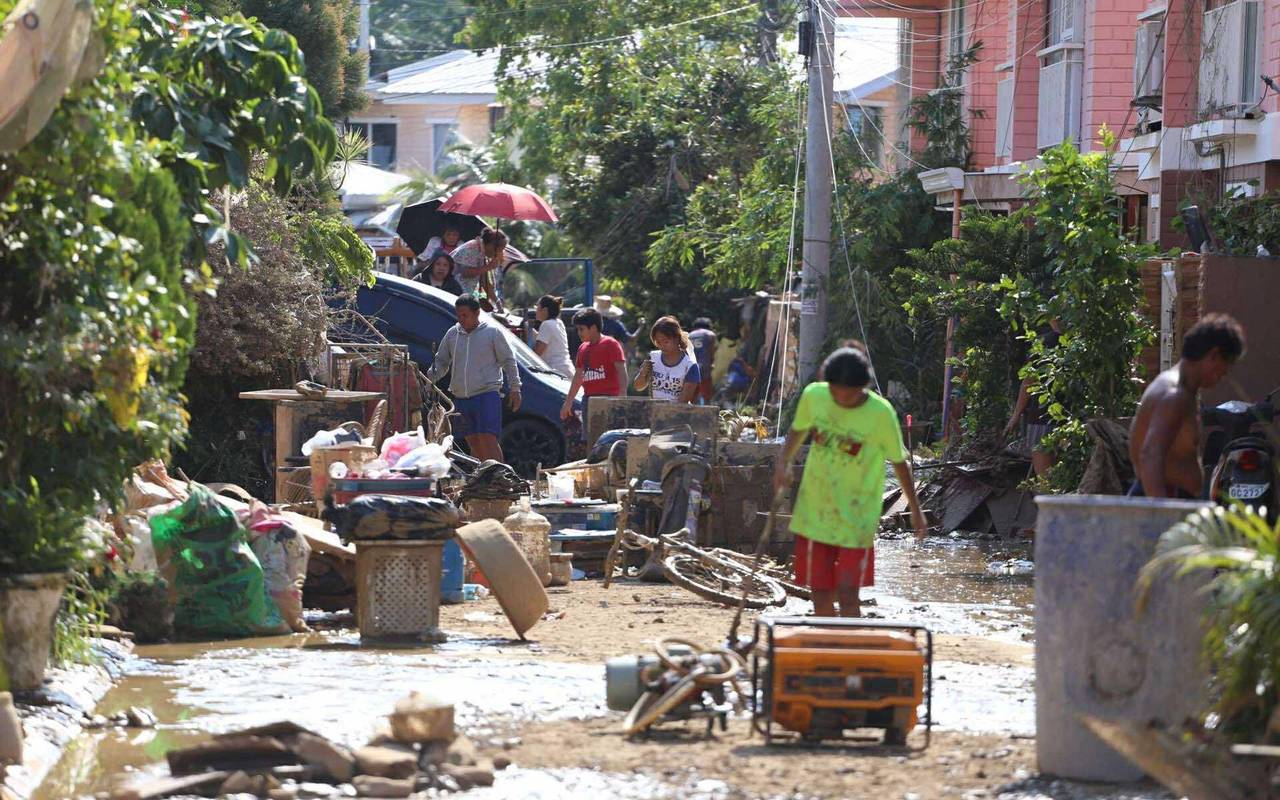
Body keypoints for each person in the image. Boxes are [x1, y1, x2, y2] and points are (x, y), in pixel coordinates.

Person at [772, 346, 928, 618]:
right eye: (836, 392)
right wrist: (783, 462)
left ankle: (850, 638)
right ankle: (827, 641)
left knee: (848, 593)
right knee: (820, 592)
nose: (841, 399)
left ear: (863, 387)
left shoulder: (881, 413)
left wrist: (915, 509)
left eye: (849, 394)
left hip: (857, 517)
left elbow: (899, 462)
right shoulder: (815, 396)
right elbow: (798, 430)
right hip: (816, 511)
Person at [1128, 314, 1246, 499]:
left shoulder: (1181, 390)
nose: (1224, 374)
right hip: (1164, 499)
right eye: (1226, 365)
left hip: (1170, 499)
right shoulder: (1175, 395)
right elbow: (1150, 455)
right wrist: (1161, 512)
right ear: (1213, 355)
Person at [425, 294, 522, 464]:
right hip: (461, 398)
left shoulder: (492, 333)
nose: (461, 319)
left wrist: (515, 388)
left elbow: (508, 360)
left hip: (486, 395)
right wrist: (429, 380)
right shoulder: (452, 334)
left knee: (488, 440)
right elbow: (441, 362)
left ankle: (500, 476)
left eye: (465, 315)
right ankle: (482, 477)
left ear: (477, 313)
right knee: (473, 442)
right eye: (459, 315)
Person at [1002, 322, 1062, 477]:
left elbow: (1028, 381)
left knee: (1044, 478)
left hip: (1042, 418)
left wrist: (1015, 416)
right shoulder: (1083, 345)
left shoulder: (1043, 343)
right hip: (1070, 418)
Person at [560, 308, 628, 424]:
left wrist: (622, 397)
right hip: (588, 400)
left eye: (581, 329)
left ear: (593, 328)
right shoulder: (582, 348)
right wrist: (568, 402)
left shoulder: (611, 344)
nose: (579, 333)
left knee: (609, 433)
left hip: (609, 399)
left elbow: (621, 370)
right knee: (588, 434)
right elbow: (578, 376)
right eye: (577, 329)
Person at [633, 316, 700, 403]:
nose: (662, 346)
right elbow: (638, 387)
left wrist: (665, 411)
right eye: (658, 342)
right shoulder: (653, 358)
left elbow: (683, 402)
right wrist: (643, 373)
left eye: (666, 341)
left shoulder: (690, 366)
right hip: (655, 410)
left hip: (677, 411)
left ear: (677, 338)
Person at [451, 228, 508, 310]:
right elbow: (466, 273)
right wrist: (489, 267)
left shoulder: (483, 253)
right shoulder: (472, 248)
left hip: (466, 296)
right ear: (491, 245)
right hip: (453, 292)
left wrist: (497, 301)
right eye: (500, 250)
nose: (500, 253)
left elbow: (485, 282)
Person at [533, 294, 574, 379]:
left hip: (557, 373)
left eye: (537, 307)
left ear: (544, 310)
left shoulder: (546, 324)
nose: (535, 310)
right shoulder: (558, 322)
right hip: (567, 370)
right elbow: (548, 340)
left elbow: (537, 352)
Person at [688, 318, 718, 404]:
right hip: (704, 364)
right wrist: (712, 362)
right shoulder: (710, 334)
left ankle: (692, 407)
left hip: (691, 365)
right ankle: (708, 406)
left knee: (692, 390)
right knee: (706, 390)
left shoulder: (689, 335)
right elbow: (711, 350)